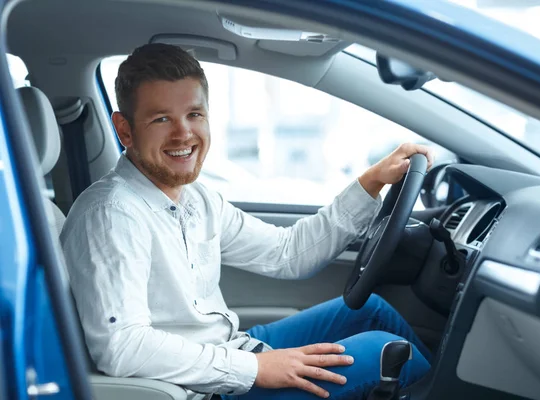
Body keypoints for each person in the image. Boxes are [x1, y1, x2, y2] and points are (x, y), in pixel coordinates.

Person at [61, 43, 434, 400]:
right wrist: (254, 368)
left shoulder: (198, 198)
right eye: (161, 119)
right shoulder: (111, 216)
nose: (183, 134)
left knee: (372, 313)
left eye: (194, 114)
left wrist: (371, 182)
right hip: (201, 389)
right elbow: (122, 346)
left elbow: (287, 254)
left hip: (228, 352)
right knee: (386, 350)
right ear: (125, 130)